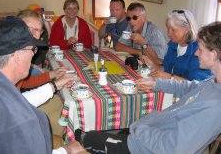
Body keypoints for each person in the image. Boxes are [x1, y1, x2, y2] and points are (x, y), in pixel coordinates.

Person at [83, 22, 221, 154]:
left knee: (86, 140)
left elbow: (174, 148)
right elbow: (189, 87)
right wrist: (156, 83)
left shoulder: (214, 106)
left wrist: (139, 128)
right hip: (150, 133)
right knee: (111, 134)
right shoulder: (213, 82)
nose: (196, 53)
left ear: (214, 54)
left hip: (146, 149)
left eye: (200, 49)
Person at [0, 18, 85, 153]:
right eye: (33, 49)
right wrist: (67, 150)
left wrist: (55, 85)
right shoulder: (22, 122)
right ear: (18, 55)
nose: (33, 55)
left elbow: (18, 101)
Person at [143, 9, 212, 81]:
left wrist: (169, 77)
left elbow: (196, 85)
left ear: (186, 29)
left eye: (173, 30)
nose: (169, 34)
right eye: (168, 29)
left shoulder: (198, 51)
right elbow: (167, 70)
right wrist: (153, 65)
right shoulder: (173, 45)